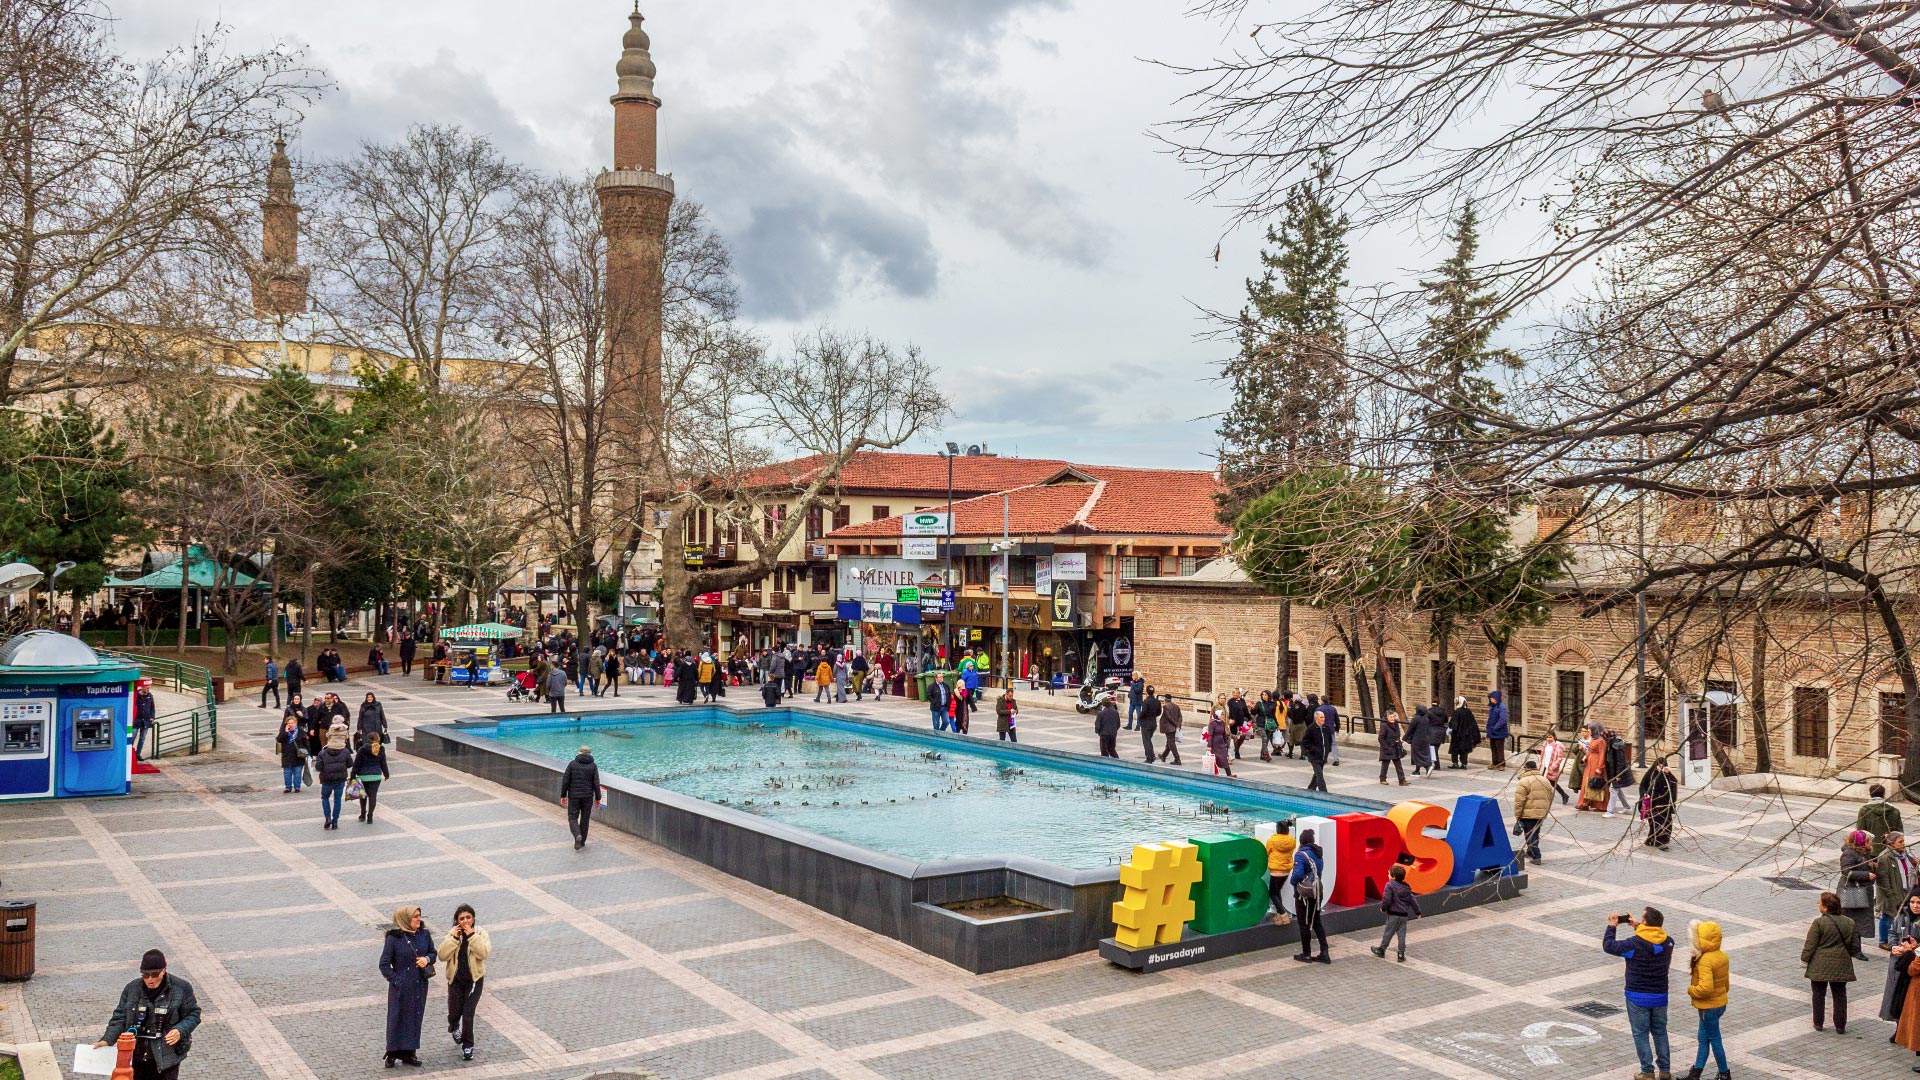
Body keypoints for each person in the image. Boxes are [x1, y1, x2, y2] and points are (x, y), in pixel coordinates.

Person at [95, 949, 200, 1080]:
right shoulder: (132, 988)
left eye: (155, 974)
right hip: (137, 1057)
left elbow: (193, 1014)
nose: (150, 979)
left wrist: (179, 1030)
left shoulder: (181, 987)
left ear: (164, 970)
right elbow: (120, 1018)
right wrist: (107, 1039)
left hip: (166, 1059)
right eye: (145, 975)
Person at [1603, 907, 1675, 1080]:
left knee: (1640, 1034)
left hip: (1637, 996)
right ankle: (1665, 1071)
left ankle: (1647, 1071)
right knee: (1660, 1032)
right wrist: (1637, 926)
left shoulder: (1634, 944)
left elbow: (1609, 946)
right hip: (1660, 996)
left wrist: (1612, 926)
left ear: (1645, 923)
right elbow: (1652, 940)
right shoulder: (1668, 943)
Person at [380, 905, 436, 1068]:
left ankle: (410, 1052)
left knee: (414, 1017)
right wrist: (397, 980)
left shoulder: (424, 934)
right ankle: (392, 1052)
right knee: (396, 1018)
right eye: (415, 916)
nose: (419, 919)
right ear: (405, 919)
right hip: (401, 987)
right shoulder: (394, 939)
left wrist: (427, 959)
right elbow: (384, 964)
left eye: (419, 915)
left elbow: (433, 953)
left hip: (419, 985)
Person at [437, 903, 490, 1062]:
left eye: (468, 917)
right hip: (456, 980)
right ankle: (453, 1026)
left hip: (474, 980)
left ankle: (468, 1046)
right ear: (457, 920)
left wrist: (472, 936)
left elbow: (484, 953)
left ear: (473, 918)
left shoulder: (480, 933)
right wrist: (453, 938)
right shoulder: (453, 934)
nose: (465, 921)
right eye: (462, 918)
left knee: (468, 1014)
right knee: (455, 1011)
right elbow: (442, 955)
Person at [1802, 891, 1857, 1033]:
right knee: (1839, 995)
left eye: (1820, 903)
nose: (1818, 905)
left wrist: (1804, 959)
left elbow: (1810, 945)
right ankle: (1840, 1025)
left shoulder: (1819, 923)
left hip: (1819, 965)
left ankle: (1818, 1023)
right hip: (1841, 964)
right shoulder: (1849, 922)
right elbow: (1855, 946)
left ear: (1826, 908)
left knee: (1818, 994)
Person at [1685, 919, 1729, 1080]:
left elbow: (1705, 988)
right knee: (1703, 1038)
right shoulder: (1721, 956)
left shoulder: (1705, 961)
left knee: (1714, 1040)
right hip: (1719, 1004)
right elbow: (1726, 984)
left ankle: (1724, 1073)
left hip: (1708, 1008)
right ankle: (1696, 1072)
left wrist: (1691, 990)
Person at [1289, 828, 1329, 963]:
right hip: (1317, 892)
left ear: (1301, 841)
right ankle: (1325, 952)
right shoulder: (1318, 853)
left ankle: (1306, 954)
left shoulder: (1300, 855)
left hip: (1305, 895)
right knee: (1316, 921)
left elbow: (1298, 874)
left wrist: (1293, 882)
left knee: (1304, 923)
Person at [1882, 892, 1920, 1026]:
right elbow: (1892, 932)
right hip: (1898, 962)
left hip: (1915, 965)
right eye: (1913, 902)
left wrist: (1911, 949)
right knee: (1896, 995)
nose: (1915, 906)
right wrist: (1893, 946)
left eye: (1919, 903)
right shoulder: (1901, 915)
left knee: (1909, 997)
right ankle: (1898, 1026)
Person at [1370, 863, 1422, 962]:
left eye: (1389, 874)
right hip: (1403, 916)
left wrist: (1383, 908)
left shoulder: (1390, 885)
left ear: (1393, 877)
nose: (1388, 875)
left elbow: (1387, 899)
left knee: (1388, 933)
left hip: (1393, 914)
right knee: (1402, 936)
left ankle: (1382, 949)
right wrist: (1418, 912)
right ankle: (1401, 954)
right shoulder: (1407, 888)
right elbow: (1413, 901)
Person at [1840, 830, 1877, 960]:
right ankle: (1854, 949)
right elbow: (1846, 871)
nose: (1869, 842)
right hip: (1852, 891)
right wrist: (1866, 875)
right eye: (1867, 840)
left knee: (1858, 920)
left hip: (1861, 890)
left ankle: (1855, 948)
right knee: (1853, 920)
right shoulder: (1849, 853)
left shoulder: (1863, 852)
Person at [1880, 834, 1918, 950]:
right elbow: (1883, 880)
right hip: (1892, 893)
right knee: (1888, 917)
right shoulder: (1885, 857)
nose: (1903, 844)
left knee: (1899, 917)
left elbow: (1909, 867)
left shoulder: (1904, 854)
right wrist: (1891, 895)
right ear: (1892, 844)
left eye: (1903, 841)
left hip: (1905, 890)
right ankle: (1883, 940)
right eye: (1900, 842)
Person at [1512, 759, 1552, 866]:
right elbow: (1550, 796)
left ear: (1526, 768)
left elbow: (1519, 801)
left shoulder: (1524, 781)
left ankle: (1536, 855)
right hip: (1541, 813)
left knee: (1530, 834)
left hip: (1528, 813)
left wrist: (1518, 815)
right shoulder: (1545, 780)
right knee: (1535, 833)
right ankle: (1530, 851)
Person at [560, 745, 601, 849]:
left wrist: (563, 795)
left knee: (572, 817)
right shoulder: (593, 766)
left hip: (574, 796)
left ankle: (577, 834)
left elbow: (565, 781)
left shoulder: (572, 764)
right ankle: (582, 842)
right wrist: (598, 797)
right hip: (587, 797)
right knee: (585, 819)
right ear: (589, 754)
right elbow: (596, 783)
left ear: (579, 753)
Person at [315, 724, 354, 830]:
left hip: (326, 779)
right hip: (340, 779)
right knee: (337, 800)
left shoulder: (323, 752)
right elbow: (350, 764)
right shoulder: (345, 751)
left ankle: (327, 818)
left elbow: (318, 767)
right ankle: (335, 821)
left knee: (325, 798)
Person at [353, 733, 391, 824]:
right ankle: (370, 816)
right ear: (378, 739)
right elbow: (383, 764)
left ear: (367, 739)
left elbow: (357, 764)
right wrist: (386, 774)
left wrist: (353, 775)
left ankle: (362, 814)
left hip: (363, 776)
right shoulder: (380, 749)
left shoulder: (362, 749)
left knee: (363, 796)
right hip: (376, 776)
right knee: (373, 796)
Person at [1641, 758, 1678, 849]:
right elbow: (1642, 786)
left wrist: (1669, 773)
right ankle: (1658, 841)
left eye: (1662, 766)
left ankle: (1660, 840)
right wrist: (1645, 794)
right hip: (1654, 803)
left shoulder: (1667, 775)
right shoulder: (1651, 774)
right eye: (1659, 766)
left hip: (1665, 804)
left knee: (1666, 823)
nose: (1660, 768)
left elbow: (1674, 784)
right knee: (1656, 823)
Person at [1860, 784, 1905, 856]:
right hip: (1890, 850)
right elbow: (1899, 832)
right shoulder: (1895, 811)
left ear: (1870, 794)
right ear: (1884, 794)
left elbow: (1860, 832)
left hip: (1870, 850)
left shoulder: (1864, 810)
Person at [1265, 820, 1295, 926]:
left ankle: (1283, 914)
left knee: (1272, 893)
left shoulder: (1272, 840)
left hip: (1275, 871)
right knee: (1277, 891)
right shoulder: (1292, 840)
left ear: (1277, 830)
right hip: (1286, 870)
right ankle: (1280, 915)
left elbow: (1266, 852)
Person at [1578, 723, 1611, 812]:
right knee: (1586, 782)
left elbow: (1602, 754)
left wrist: (1600, 768)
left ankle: (1600, 805)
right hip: (1590, 763)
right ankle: (1584, 803)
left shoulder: (1601, 741)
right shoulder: (1592, 739)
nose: (1589, 731)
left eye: (1590, 730)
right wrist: (1585, 757)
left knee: (1597, 783)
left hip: (1596, 763)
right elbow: (1590, 750)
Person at [1302, 708, 1333, 792]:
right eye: (1321, 717)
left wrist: (1328, 749)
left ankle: (1311, 788)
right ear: (1316, 718)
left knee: (1317, 774)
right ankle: (1324, 792)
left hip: (1323, 756)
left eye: (1323, 717)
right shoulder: (1311, 729)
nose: (1323, 719)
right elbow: (1305, 742)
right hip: (1314, 756)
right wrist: (1313, 749)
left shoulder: (1326, 728)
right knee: (1319, 774)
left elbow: (1329, 740)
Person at [1538, 733, 1573, 804]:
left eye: (1550, 737)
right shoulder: (1545, 744)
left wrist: (1553, 767)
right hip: (1544, 766)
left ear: (1554, 737)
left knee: (1552, 782)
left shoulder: (1558, 746)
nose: (1548, 739)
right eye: (1547, 737)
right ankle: (1543, 797)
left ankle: (1564, 795)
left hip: (1552, 767)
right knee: (1543, 781)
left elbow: (1559, 758)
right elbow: (1543, 755)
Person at [1377, 708, 1407, 785]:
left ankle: (1402, 780)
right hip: (1387, 748)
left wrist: (1399, 740)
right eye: (1391, 717)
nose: (1392, 718)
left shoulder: (1396, 724)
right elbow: (1381, 738)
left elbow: (1397, 734)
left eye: (1393, 717)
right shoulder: (1384, 725)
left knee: (1398, 764)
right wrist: (1387, 747)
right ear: (1387, 718)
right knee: (1385, 764)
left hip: (1395, 748)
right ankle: (1382, 779)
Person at [1447, 695, 1479, 769]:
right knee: (1464, 750)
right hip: (1466, 734)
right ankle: (1464, 763)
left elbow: (1453, 724)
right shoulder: (1468, 712)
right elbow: (1473, 723)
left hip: (1457, 734)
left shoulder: (1456, 712)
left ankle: (1455, 763)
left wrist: (1450, 730)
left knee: (1455, 749)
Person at [1204, 699, 1233, 776]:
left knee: (1224, 758)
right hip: (1214, 743)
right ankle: (1213, 772)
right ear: (1218, 715)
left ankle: (1229, 774)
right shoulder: (1212, 724)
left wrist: (1226, 743)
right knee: (1215, 759)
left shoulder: (1222, 723)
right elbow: (1210, 735)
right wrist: (1209, 746)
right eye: (1222, 715)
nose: (1223, 716)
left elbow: (1224, 734)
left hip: (1221, 744)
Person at [278, 715, 306, 794]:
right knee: (287, 773)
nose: (291, 724)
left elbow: (306, 743)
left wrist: (308, 753)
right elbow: (279, 739)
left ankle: (297, 787)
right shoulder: (284, 732)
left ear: (296, 723)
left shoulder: (300, 732)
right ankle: (288, 787)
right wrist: (286, 732)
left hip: (298, 756)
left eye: (292, 723)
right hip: (287, 755)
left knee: (297, 772)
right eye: (289, 723)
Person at [1407, 705, 1434, 777]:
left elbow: (1410, 729)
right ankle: (1417, 770)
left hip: (1416, 739)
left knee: (1417, 754)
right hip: (1425, 739)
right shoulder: (1426, 719)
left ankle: (1427, 767)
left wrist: (1404, 738)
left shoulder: (1416, 719)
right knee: (1424, 753)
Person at [1484, 689, 1509, 769]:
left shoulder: (1502, 707)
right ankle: (1494, 763)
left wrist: (1495, 727)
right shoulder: (1493, 707)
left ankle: (1501, 764)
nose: (1491, 700)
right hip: (1492, 731)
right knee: (1493, 748)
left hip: (1499, 732)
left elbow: (1503, 720)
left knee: (1499, 749)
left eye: (1492, 698)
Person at [1158, 694, 1184, 765]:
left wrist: (1176, 724)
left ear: (1165, 699)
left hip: (1169, 728)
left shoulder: (1165, 706)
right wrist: (1178, 725)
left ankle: (1177, 759)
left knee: (1171, 743)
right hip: (1174, 728)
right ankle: (1163, 756)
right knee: (1169, 743)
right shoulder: (1176, 706)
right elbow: (1180, 717)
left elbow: (1168, 717)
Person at [132, 683, 156, 760]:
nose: (148, 690)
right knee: (133, 736)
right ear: (142, 687)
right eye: (146, 688)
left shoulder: (150, 696)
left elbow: (152, 707)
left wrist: (152, 717)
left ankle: (138, 754)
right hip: (136, 720)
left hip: (146, 720)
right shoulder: (136, 695)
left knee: (142, 738)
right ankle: (129, 752)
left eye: (149, 688)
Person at [1138, 686, 1162, 762]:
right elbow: (1159, 712)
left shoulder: (1146, 702)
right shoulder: (1157, 701)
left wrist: (1140, 717)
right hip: (1153, 723)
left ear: (1146, 692)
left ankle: (1149, 758)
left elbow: (1143, 712)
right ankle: (1152, 755)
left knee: (1146, 741)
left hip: (1146, 724)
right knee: (1149, 740)